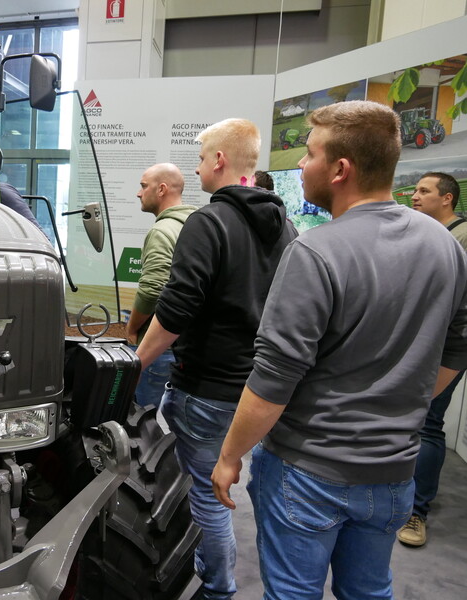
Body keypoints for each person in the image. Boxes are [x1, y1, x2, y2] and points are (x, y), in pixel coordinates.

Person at [211, 101, 467, 599]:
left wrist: (229, 455)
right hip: (393, 475)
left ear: (340, 169)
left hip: (308, 471)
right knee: (369, 591)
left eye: (309, 154)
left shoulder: (315, 251)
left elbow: (273, 380)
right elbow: (457, 348)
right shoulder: (445, 247)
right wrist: (399, 403)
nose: (301, 164)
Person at [135, 118, 297, 599]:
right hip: (257, 392)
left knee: (206, 497)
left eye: (202, 158)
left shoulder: (208, 222)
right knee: (227, 490)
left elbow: (176, 309)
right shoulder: (286, 227)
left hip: (205, 390)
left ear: (220, 160)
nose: (198, 168)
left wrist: (135, 362)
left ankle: (218, 589)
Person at [397, 172, 467, 547]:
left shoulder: (462, 237)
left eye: (424, 191)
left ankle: (417, 512)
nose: (414, 196)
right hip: (417, 345)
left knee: (428, 423)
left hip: (443, 350)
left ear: (447, 198)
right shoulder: (427, 234)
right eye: (415, 189)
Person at [126, 163, 195, 407]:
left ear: (162, 189)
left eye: (144, 186)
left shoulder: (162, 231)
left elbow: (153, 289)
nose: (139, 193)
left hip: (159, 346)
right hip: (187, 344)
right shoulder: (198, 225)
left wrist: (132, 327)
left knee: (145, 417)